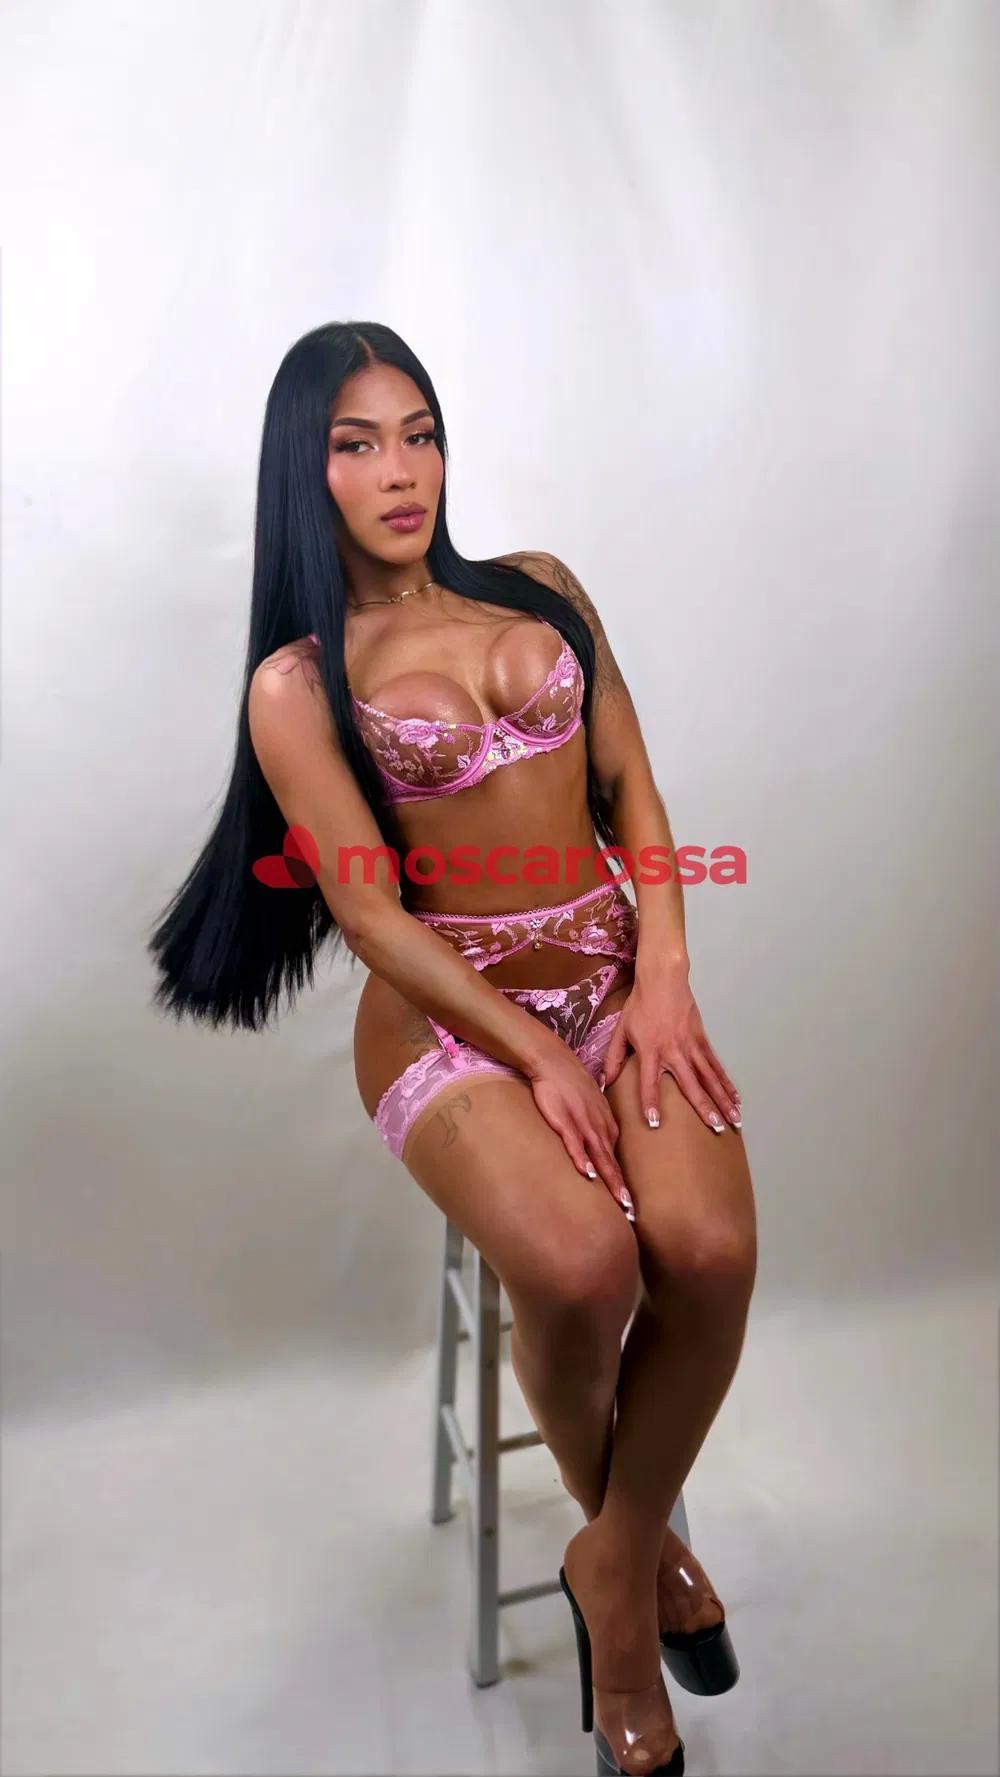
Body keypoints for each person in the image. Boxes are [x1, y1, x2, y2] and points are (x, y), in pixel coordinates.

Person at [148, 320, 757, 1777]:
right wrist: (534, 1055)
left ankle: (612, 1552)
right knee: (586, 1267)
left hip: (613, 980)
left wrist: (663, 974)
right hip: (446, 1015)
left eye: (417, 433)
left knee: (710, 1253)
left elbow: (633, 786)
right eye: (357, 444)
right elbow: (370, 915)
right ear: (304, 471)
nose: (400, 469)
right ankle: (634, 1619)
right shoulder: (298, 684)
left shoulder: (540, 588)